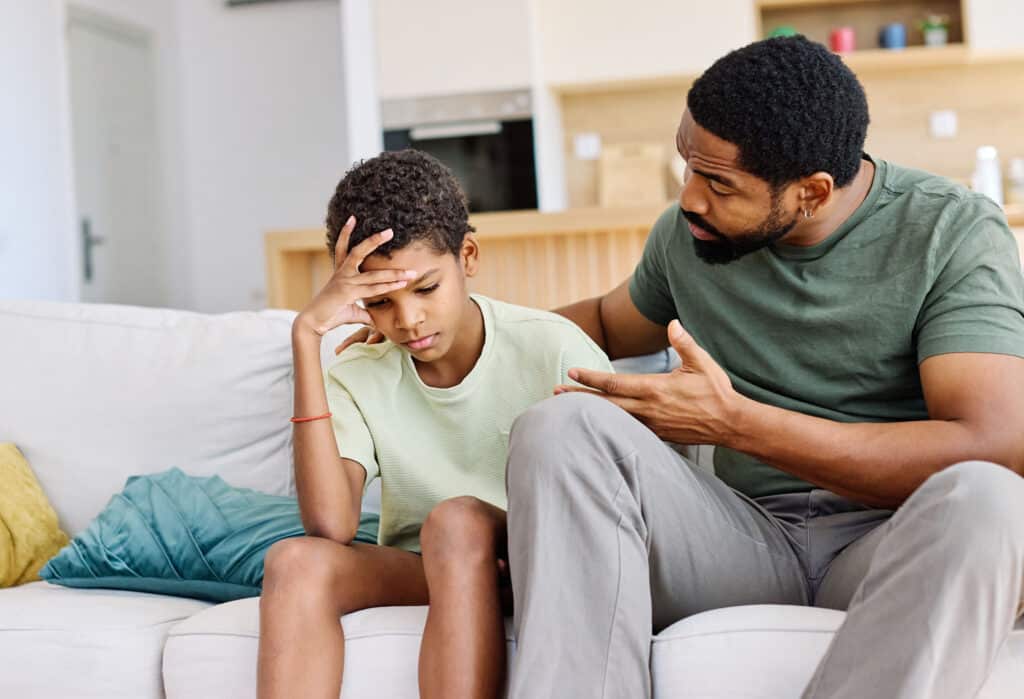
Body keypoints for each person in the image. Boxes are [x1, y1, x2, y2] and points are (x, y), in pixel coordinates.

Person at [502, 36, 1024, 698]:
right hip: (738, 538)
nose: (690, 198)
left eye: (719, 183)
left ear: (810, 192)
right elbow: (605, 323)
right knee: (561, 428)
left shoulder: (950, 231)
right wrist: (463, 329)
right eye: (686, 166)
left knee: (991, 499)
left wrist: (736, 424)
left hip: (885, 541)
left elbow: (993, 443)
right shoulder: (689, 235)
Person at [255, 149, 612, 699]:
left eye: (425, 289)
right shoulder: (359, 374)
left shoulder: (553, 346)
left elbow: (616, 508)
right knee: (294, 561)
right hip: (429, 566)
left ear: (467, 256)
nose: (408, 319)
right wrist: (307, 338)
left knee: (456, 521)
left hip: (537, 561)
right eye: (381, 302)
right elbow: (330, 526)